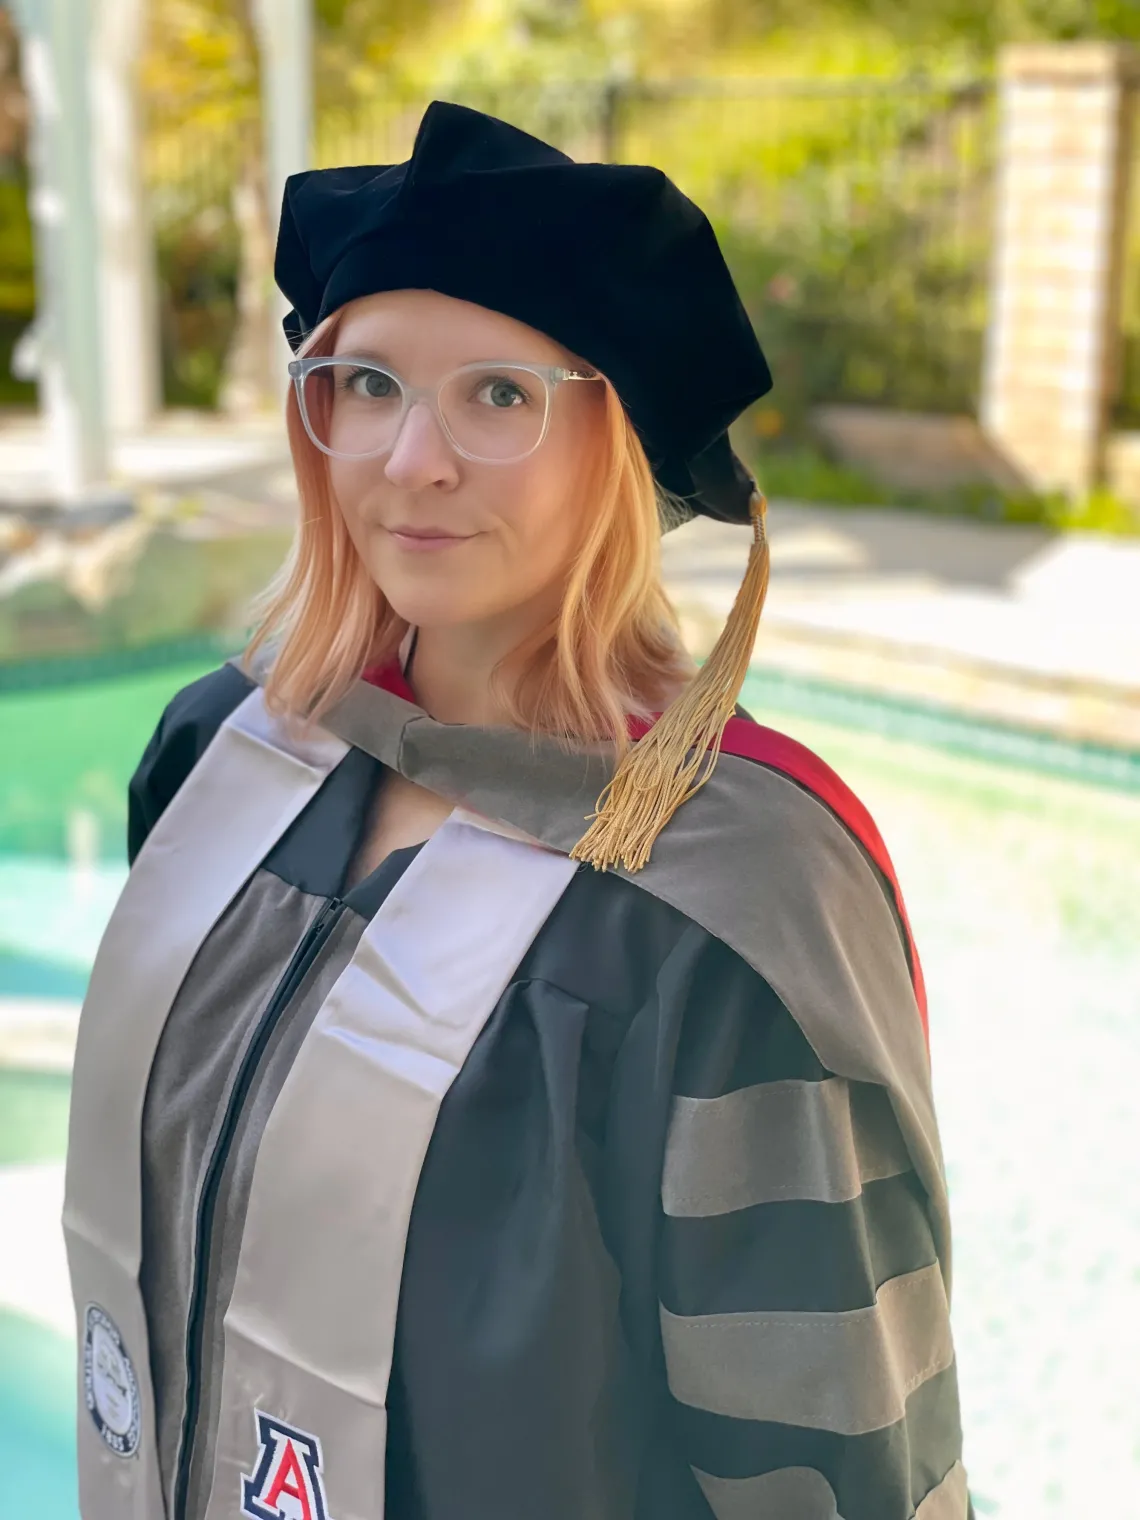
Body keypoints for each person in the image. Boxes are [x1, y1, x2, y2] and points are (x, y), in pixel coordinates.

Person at [63, 100, 971, 1520]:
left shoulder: (717, 905)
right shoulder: (222, 761)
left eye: (498, 395)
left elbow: (830, 1467)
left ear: (620, 445)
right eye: (365, 385)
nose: (409, 459)